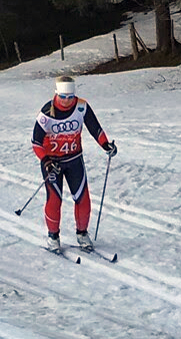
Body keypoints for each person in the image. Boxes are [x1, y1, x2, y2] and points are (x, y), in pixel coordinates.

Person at [31, 76, 117, 253]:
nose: (67, 101)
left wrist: (105, 145)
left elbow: (95, 128)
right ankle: (53, 236)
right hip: (53, 162)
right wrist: (45, 161)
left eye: (70, 97)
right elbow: (36, 142)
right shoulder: (46, 113)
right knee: (55, 200)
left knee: (83, 198)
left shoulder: (81, 106)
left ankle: (82, 234)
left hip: (74, 160)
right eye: (63, 97)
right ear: (57, 94)